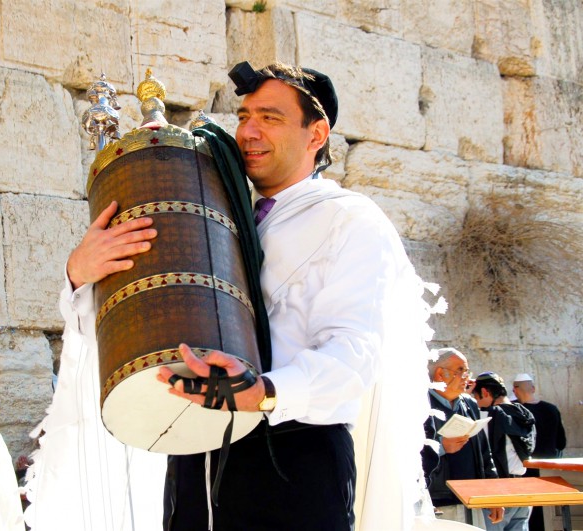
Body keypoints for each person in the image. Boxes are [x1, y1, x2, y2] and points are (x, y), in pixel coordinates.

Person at [32, 61, 435, 530]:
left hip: (291, 459)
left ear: (317, 134)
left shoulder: (350, 220)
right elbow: (122, 326)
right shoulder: (207, 208)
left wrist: (264, 392)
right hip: (191, 450)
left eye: (271, 117)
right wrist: (82, 275)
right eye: (244, 116)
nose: (248, 131)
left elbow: (355, 354)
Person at [422, 348, 504, 528]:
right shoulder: (421, 403)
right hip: (437, 502)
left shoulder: (470, 405)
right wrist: (441, 447)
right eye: (460, 371)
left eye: (467, 371)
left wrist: (493, 494)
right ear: (440, 374)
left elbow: (485, 454)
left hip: (471, 499)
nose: (467, 377)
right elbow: (407, 453)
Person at [472, 372, 536, 530]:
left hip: (498, 491)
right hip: (523, 490)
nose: (476, 402)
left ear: (485, 392)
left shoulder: (488, 416)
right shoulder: (525, 414)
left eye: (475, 396)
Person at [512, 373, 567, 531]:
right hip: (549, 471)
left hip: (524, 471)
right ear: (533, 388)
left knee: (529, 516)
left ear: (515, 390)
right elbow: (561, 443)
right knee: (550, 515)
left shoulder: (514, 410)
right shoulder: (551, 409)